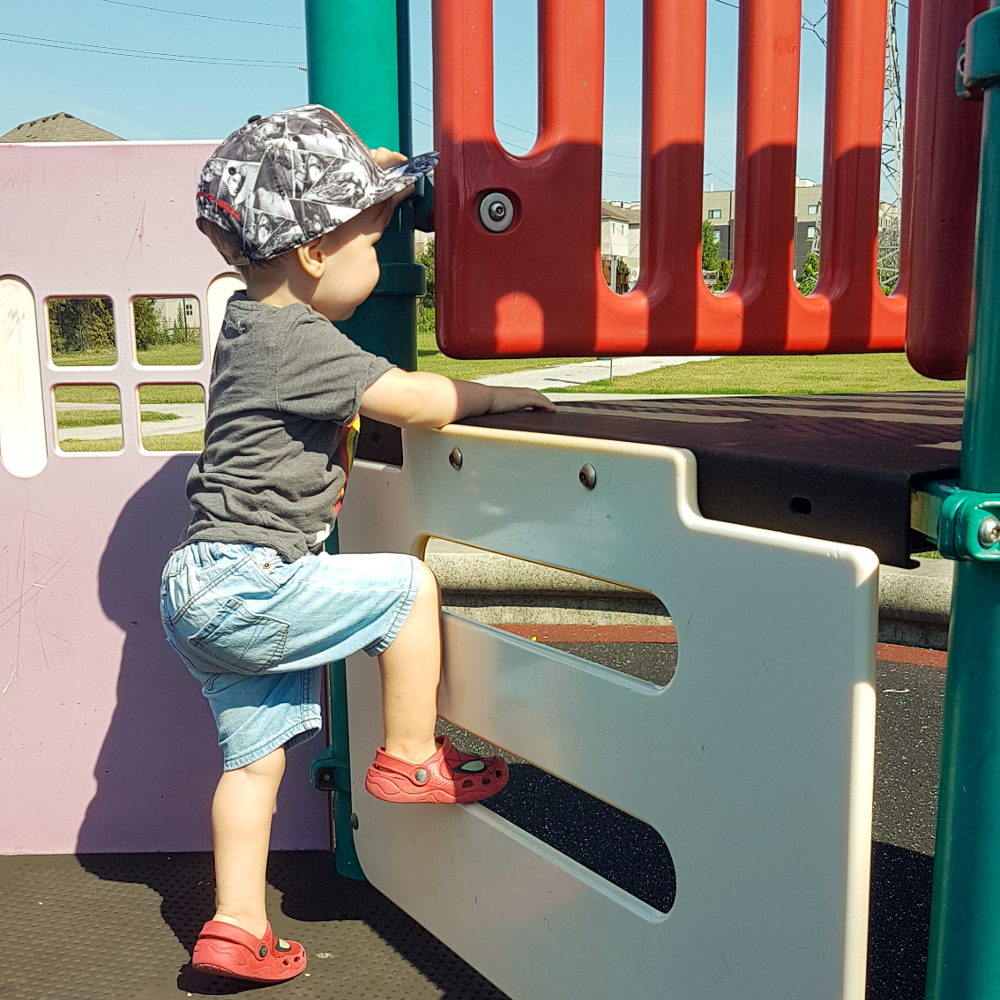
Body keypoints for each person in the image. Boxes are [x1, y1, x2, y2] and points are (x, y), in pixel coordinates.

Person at [160, 105, 554, 986]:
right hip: (248, 581)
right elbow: (411, 400)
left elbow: (324, 231)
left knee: (251, 765)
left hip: (198, 586)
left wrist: (372, 187)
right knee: (409, 588)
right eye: (372, 244)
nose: (379, 263)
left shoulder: (248, 324)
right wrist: (496, 395)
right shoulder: (298, 340)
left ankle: (236, 925)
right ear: (313, 253)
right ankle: (411, 756)